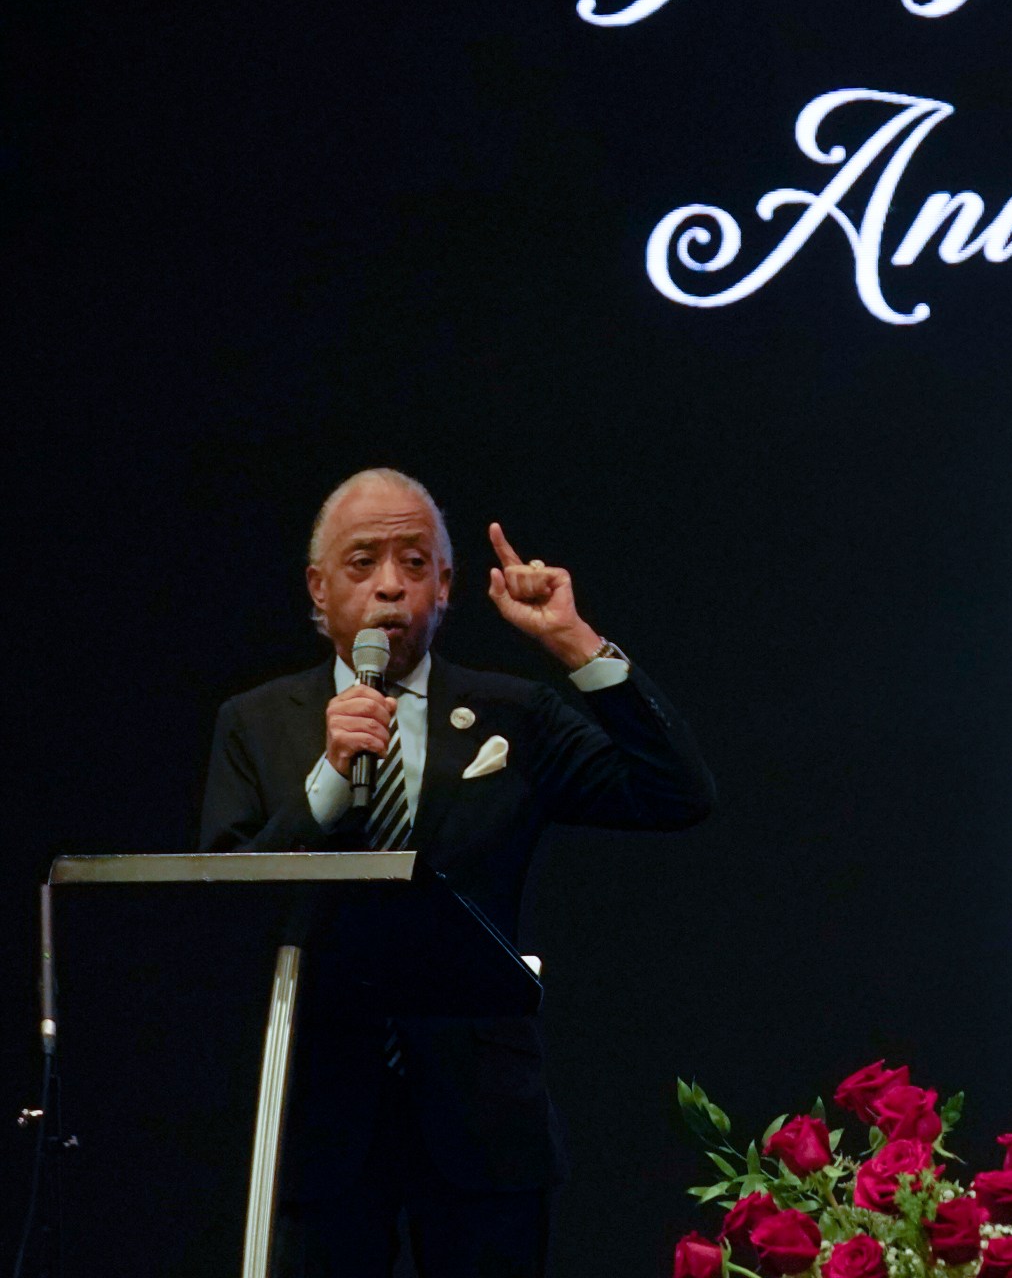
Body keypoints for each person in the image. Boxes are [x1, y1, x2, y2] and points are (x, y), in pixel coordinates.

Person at [200, 468, 717, 1277]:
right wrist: (330, 780)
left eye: (415, 564)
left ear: (445, 586)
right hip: (321, 1116)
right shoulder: (257, 723)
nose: (390, 588)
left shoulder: (515, 713)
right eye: (363, 562)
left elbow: (675, 794)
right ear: (318, 588)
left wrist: (573, 643)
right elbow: (227, 901)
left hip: (482, 1119)